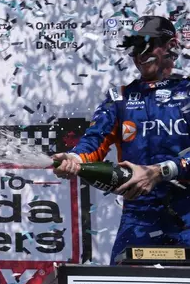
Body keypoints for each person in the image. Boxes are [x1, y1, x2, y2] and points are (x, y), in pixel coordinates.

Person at [53, 16, 190, 264]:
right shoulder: (120, 98)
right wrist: (73, 158)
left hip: (188, 210)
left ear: (171, 45)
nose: (140, 52)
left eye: (148, 44)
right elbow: (93, 141)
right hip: (139, 216)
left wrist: (161, 171)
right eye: (135, 45)